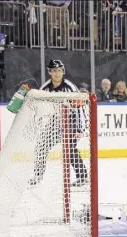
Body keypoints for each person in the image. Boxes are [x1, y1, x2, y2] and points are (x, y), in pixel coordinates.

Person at [28, 60, 89, 188]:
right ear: (50, 72)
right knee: (41, 146)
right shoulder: (45, 88)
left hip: (71, 120)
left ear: (63, 71)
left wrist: (80, 128)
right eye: (54, 70)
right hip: (55, 121)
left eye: (60, 70)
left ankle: (82, 176)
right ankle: (38, 175)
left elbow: (79, 108)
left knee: (69, 149)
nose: (57, 73)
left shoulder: (70, 87)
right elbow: (38, 105)